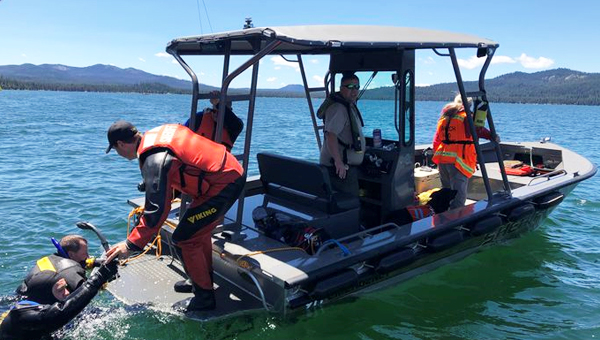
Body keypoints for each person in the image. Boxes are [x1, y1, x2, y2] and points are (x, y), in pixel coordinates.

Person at [104, 121, 245, 312]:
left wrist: (130, 245)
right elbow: (183, 164)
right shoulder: (156, 134)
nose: (118, 154)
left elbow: (157, 210)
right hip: (227, 171)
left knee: (185, 239)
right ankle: (200, 279)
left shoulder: (154, 158)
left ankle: (204, 298)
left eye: (115, 150)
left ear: (120, 144)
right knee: (196, 232)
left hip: (224, 184)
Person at [0, 261, 118, 340]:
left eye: (66, 288)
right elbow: (58, 314)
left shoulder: (38, 305)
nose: (67, 293)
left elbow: (69, 306)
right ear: (46, 293)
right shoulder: (21, 314)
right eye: (61, 289)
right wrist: (99, 278)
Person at [432, 94, 500, 209]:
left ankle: (442, 216)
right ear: (469, 105)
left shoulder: (444, 117)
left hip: (443, 160)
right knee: (459, 195)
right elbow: (479, 131)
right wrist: (493, 136)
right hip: (459, 161)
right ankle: (456, 220)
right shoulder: (467, 117)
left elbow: (436, 141)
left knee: (446, 192)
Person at [318, 72, 365, 196]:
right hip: (339, 169)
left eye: (356, 87)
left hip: (345, 167)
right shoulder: (338, 108)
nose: (354, 91)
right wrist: (338, 162)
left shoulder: (349, 106)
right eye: (350, 87)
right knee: (349, 206)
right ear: (341, 88)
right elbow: (331, 135)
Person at [16, 235, 97, 304]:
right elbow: (87, 291)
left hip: (19, 299)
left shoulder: (48, 259)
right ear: (71, 254)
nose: (88, 256)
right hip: (40, 312)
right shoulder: (71, 269)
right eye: (85, 253)